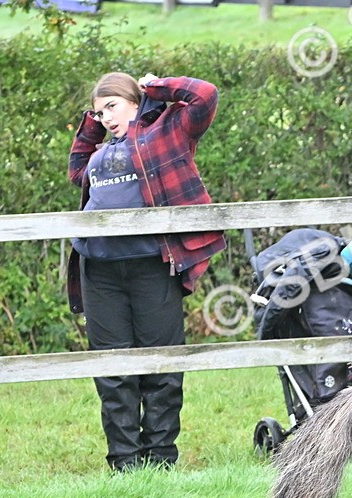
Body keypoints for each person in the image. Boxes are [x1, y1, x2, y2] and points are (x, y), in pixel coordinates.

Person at [67, 72, 225, 472]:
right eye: (99, 111)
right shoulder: (102, 150)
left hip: (153, 263)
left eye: (112, 107)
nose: (105, 117)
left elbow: (205, 95)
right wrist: (92, 123)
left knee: (162, 367)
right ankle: (124, 466)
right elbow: (76, 171)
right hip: (99, 269)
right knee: (113, 369)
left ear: (135, 101)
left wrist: (157, 87)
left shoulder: (168, 130)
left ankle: (160, 463)